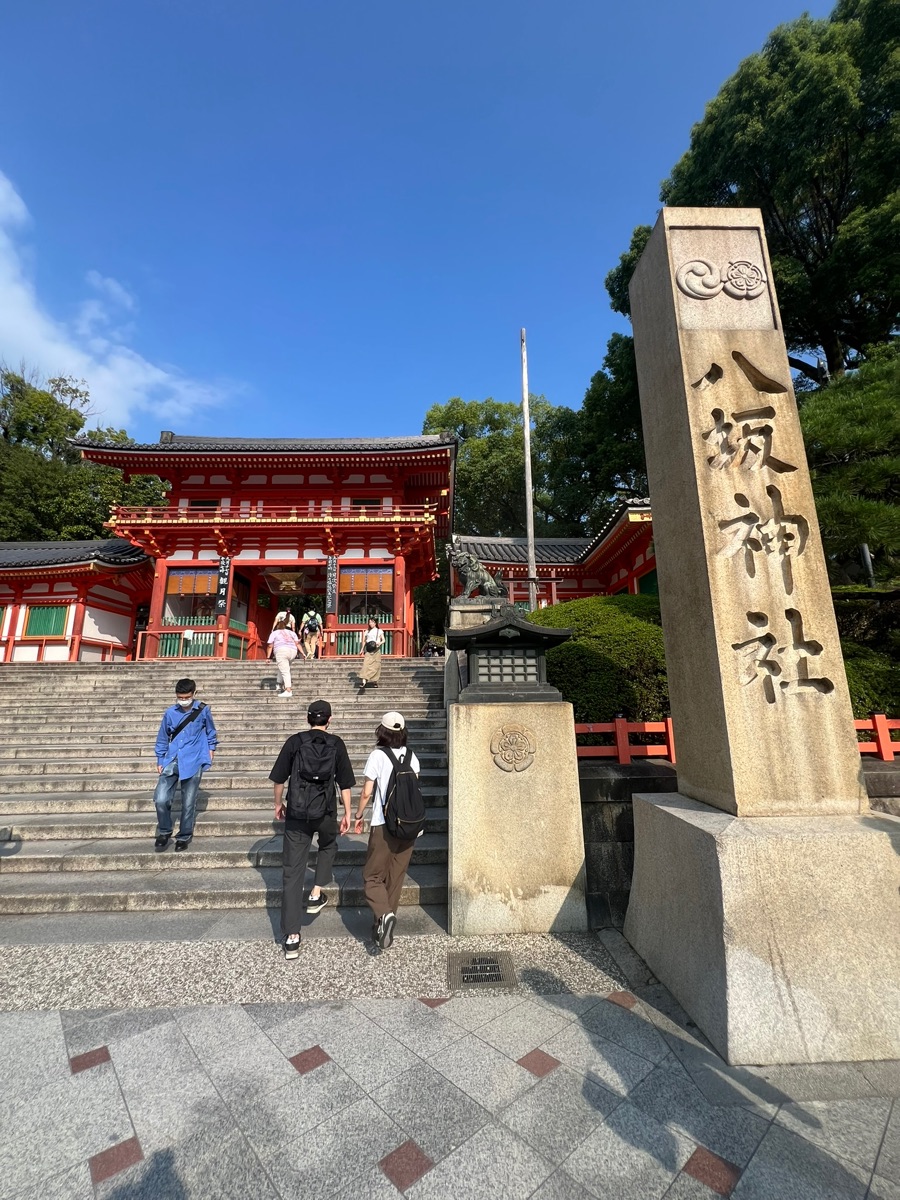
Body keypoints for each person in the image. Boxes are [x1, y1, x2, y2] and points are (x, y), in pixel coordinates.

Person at [269, 699, 355, 959]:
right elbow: (345, 784)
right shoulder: (336, 744)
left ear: (308, 719)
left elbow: (278, 779)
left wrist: (278, 804)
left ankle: (292, 937)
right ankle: (317, 891)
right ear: (329, 719)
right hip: (326, 810)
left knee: (292, 873)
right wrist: (348, 812)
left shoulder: (295, 742)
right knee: (329, 844)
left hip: (297, 812)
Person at [353, 711, 420, 949]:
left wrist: (358, 815)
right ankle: (382, 925)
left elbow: (367, 792)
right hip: (409, 827)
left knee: (372, 876)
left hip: (384, 824)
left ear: (381, 731)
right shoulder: (412, 757)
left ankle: (384, 915)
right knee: (395, 877)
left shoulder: (377, 756)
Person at [153, 678, 218, 852]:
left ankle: (184, 835)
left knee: (189, 801)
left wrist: (211, 749)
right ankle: (165, 831)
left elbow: (211, 731)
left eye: (186, 697)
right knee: (160, 798)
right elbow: (162, 736)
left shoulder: (203, 711)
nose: (183, 700)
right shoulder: (170, 712)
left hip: (193, 758)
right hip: (172, 758)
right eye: (180, 697)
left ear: (194, 694)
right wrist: (160, 758)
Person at [267, 616, 300, 698]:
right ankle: (278, 683)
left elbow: (270, 645)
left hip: (281, 651)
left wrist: (268, 657)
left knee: (285, 670)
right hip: (293, 651)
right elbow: (297, 643)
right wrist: (302, 653)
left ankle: (288, 690)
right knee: (283, 667)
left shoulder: (274, 633)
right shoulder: (291, 632)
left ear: (277, 626)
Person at [359, 616, 385, 689]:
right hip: (369, 649)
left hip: (376, 650)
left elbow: (383, 640)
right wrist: (362, 649)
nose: (370, 623)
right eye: (369, 622)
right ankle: (364, 681)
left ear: (375, 623)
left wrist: (379, 643)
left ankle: (375, 682)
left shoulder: (379, 631)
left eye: (372, 622)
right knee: (366, 664)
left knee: (376, 666)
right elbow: (364, 641)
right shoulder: (367, 631)